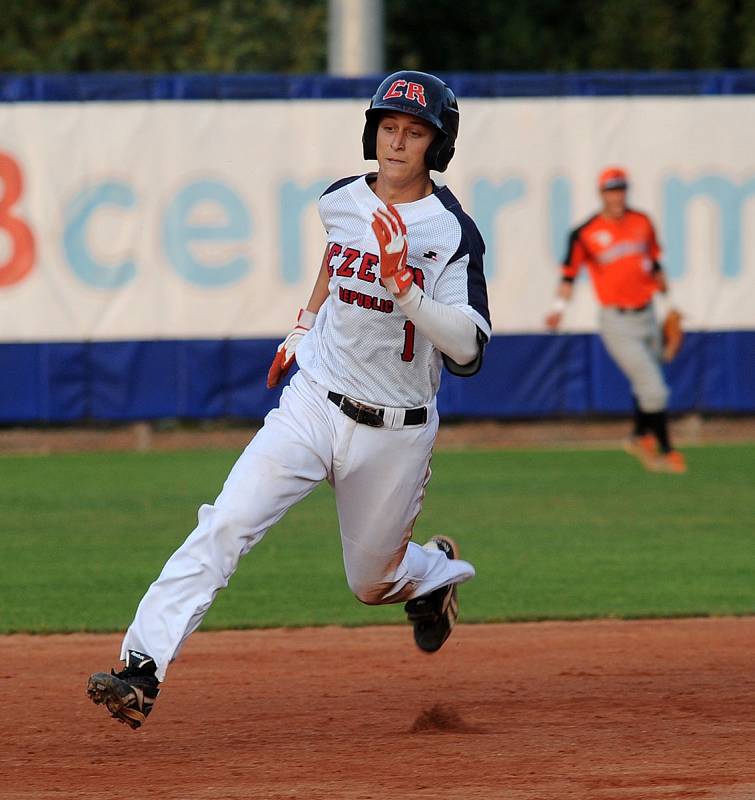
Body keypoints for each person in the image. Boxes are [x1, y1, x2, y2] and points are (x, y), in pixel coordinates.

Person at [86, 70, 492, 730]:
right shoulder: (341, 200)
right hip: (314, 402)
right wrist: (300, 327)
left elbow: (469, 350)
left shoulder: (450, 233)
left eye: (413, 132)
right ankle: (140, 669)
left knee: (370, 584)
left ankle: (435, 573)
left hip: (394, 429)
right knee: (225, 522)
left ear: (436, 146)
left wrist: (407, 292)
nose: (396, 142)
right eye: (388, 126)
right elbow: (333, 261)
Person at [545, 167, 686, 473]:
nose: (617, 195)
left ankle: (639, 435)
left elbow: (655, 264)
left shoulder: (642, 222)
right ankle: (666, 449)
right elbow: (569, 275)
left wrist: (669, 302)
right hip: (616, 320)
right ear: (602, 194)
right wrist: (558, 308)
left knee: (644, 381)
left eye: (621, 189)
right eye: (611, 190)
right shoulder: (585, 233)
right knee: (655, 389)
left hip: (647, 313)